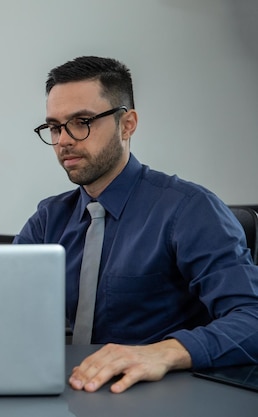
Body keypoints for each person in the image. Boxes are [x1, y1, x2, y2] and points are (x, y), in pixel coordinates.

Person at [15, 56, 258, 393]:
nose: (64, 140)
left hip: (159, 396)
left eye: (81, 121)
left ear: (127, 124)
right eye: (55, 127)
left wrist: (164, 353)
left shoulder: (189, 209)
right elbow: (3, 306)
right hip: (72, 392)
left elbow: (251, 317)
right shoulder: (49, 219)